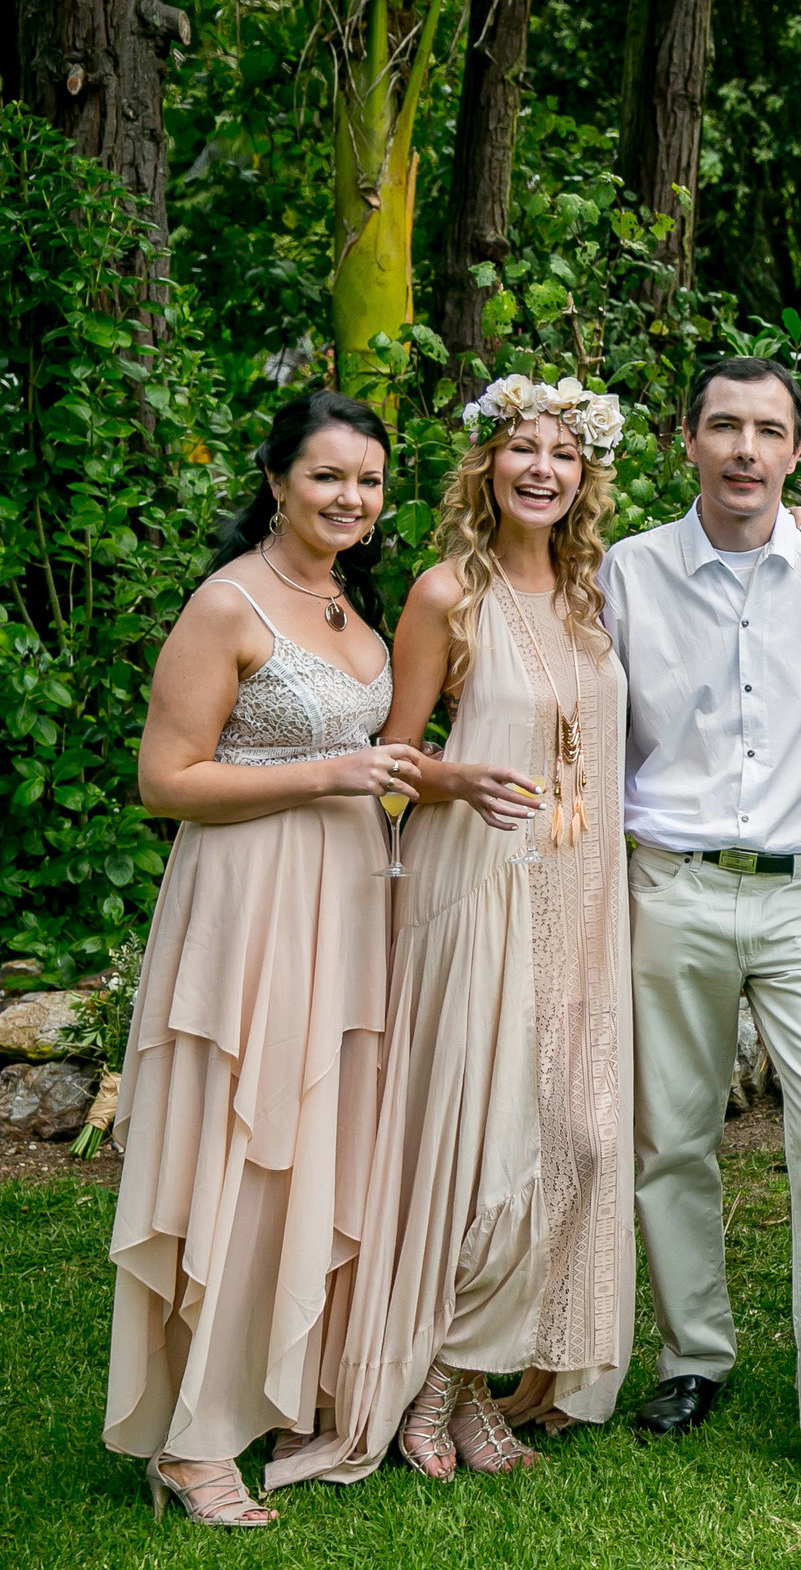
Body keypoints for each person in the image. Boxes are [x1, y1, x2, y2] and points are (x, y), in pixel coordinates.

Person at [263, 377, 635, 1490]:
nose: (542, 470)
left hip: (580, 894)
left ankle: (471, 1383)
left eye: (563, 455)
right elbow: (398, 758)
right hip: (474, 888)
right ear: (486, 465)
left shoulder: (593, 598)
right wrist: (454, 779)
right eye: (521, 448)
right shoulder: (445, 595)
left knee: (583, 1137)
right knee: (489, 1149)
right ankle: (433, 1390)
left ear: (586, 478)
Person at [106, 392, 421, 1526]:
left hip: (346, 902)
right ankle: (193, 1440)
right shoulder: (227, 603)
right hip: (248, 903)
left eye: (369, 481)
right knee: (242, 1144)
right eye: (327, 476)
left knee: (317, 1141)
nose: (350, 497)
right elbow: (166, 781)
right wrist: (327, 775)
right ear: (279, 479)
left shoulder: (350, 603)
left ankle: (289, 1382)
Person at [599, 357, 801, 1513]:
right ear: (687, 440)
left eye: (765, 430)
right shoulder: (630, 570)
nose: (742, 449)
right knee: (670, 1137)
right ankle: (693, 1357)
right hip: (670, 883)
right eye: (722, 426)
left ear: (795, 448)